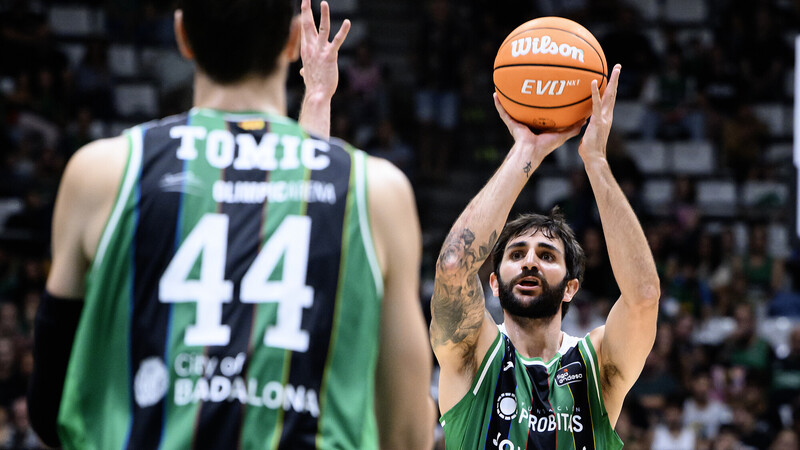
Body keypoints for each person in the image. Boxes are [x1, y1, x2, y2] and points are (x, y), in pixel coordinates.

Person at [27, 1, 434, 448]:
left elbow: (50, 409)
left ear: (182, 35)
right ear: (295, 39)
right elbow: (408, 434)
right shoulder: (375, 191)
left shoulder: (103, 173)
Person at [430, 65, 661, 448]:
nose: (530, 262)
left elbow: (644, 297)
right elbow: (454, 266)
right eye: (517, 253)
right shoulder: (474, 353)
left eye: (547, 255)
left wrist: (596, 163)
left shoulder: (596, 366)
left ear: (571, 287)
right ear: (494, 281)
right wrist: (526, 152)